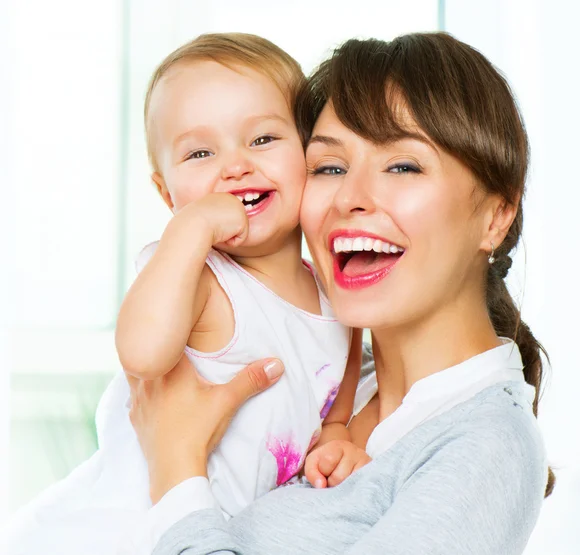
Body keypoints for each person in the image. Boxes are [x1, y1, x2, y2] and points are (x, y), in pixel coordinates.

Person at [127, 32, 554, 555]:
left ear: (495, 217)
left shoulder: (486, 446)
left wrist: (175, 474)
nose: (351, 197)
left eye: (403, 166)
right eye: (329, 167)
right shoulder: (324, 373)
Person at [3, 33, 367, 555]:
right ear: (165, 192)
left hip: (208, 534)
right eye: (200, 152)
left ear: (308, 153)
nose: (235, 165)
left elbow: (336, 403)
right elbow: (143, 353)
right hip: (117, 532)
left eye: (262, 139)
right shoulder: (197, 274)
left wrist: (336, 438)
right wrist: (190, 232)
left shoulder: (336, 294)